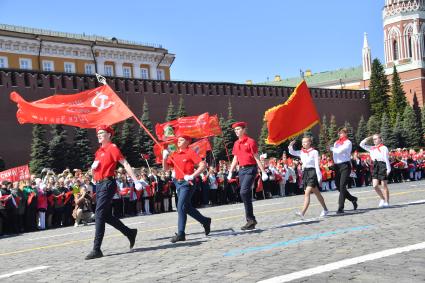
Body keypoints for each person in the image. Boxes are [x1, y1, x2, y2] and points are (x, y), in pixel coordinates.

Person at [85, 125, 141, 260]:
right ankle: (129, 232)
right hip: (99, 185)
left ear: (109, 135)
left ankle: (96, 249)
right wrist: (92, 170)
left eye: (102, 133)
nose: (99, 135)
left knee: (99, 214)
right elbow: (94, 174)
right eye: (98, 133)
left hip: (108, 184)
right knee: (105, 215)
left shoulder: (112, 148)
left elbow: (125, 163)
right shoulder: (98, 152)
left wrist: (136, 181)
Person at [162, 135, 211, 243]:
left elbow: (203, 165)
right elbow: (165, 169)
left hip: (187, 183)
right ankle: (205, 221)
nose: (178, 141)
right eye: (178, 139)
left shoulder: (190, 152)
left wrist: (193, 175)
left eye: (182, 139)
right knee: (186, 207)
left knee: (180, 206)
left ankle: (181, 234)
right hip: (178, 183)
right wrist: (164, 158)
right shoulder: (174, 154)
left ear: (188, 142)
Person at [227, 122, 268, 230]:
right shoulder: (236, 143)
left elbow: (256, 157)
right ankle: (251, 221)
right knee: (246, 194)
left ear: (244, 130)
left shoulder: (251, 141)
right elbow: (235, 159)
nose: (236, 131)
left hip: (251, 168)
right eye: (235, 130)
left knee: (243, 192)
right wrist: (230, 171)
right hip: (241, 170)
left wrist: (263, 172)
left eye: (238, 129)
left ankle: (250, 219)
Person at [289, 137, 329, 218]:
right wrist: (291, 145)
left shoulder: (314, 152)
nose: (303, 143)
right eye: (303, 142)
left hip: (312, 172)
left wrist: (319, 176)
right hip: (305, 173)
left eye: (305, 142)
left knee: (307, 192)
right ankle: (325, 209)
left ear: (310, 142)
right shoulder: (301, 152)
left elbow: (317, 165)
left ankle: (302, 213)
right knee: (317, 193)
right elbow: (291, 151)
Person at [329, 128, 358, 214]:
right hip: (337, 166)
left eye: (342, 133)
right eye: (339, 133)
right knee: (338, 186)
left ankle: (340, 207)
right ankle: (353, 199)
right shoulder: (336, 143)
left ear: (346, 134)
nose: (340, 134)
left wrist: (331, 148)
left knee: (342, 186)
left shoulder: (348, 142)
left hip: (345, 165)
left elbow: (339, 151)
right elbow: (335, 154)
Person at [360, 134, 391, 207]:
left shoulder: (384, 148)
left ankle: (387, 202)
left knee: (384, 185)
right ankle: (382, 198)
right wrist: (369, 138)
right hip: (375, 165)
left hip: (382, 165)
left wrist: (388, 169)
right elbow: (361, 144)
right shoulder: (372, 148)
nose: (374, 140)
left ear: (380, 139)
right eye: (373, 139)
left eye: (376, 139)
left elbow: (386, 159)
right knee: (375, 185)